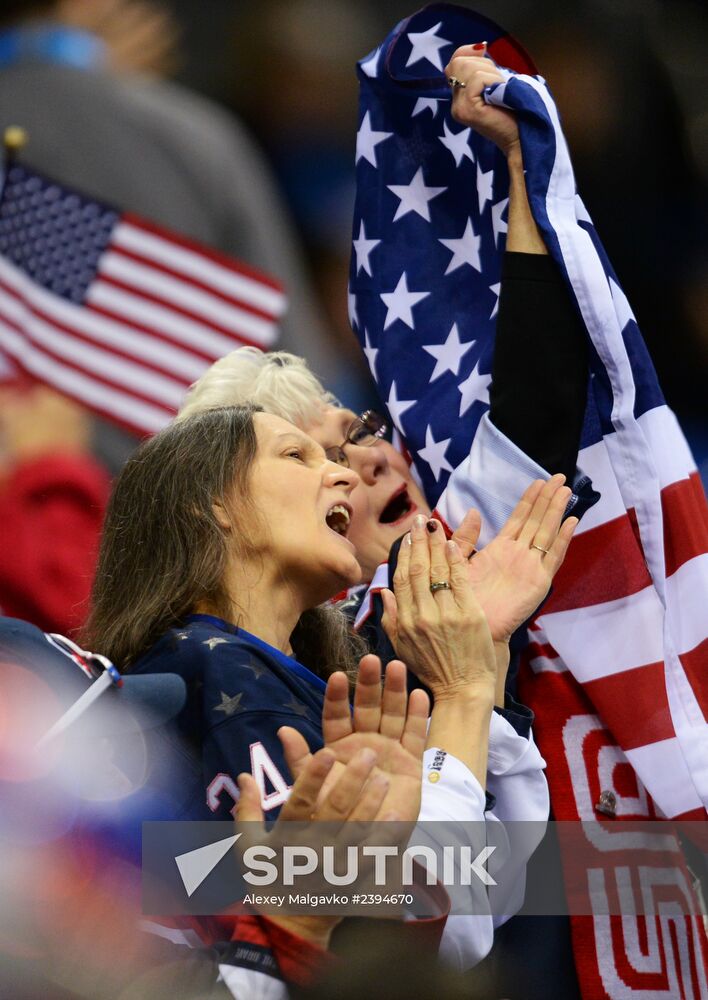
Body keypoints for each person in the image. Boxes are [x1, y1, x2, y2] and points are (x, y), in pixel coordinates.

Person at [82, 403, 572, 969]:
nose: (343, 474)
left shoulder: (276, 674)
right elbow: (414, 927)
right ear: (211, 503)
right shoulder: (210, 674)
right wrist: (461, 692)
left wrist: (480, 654)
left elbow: (487, 892)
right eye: (296, 455)